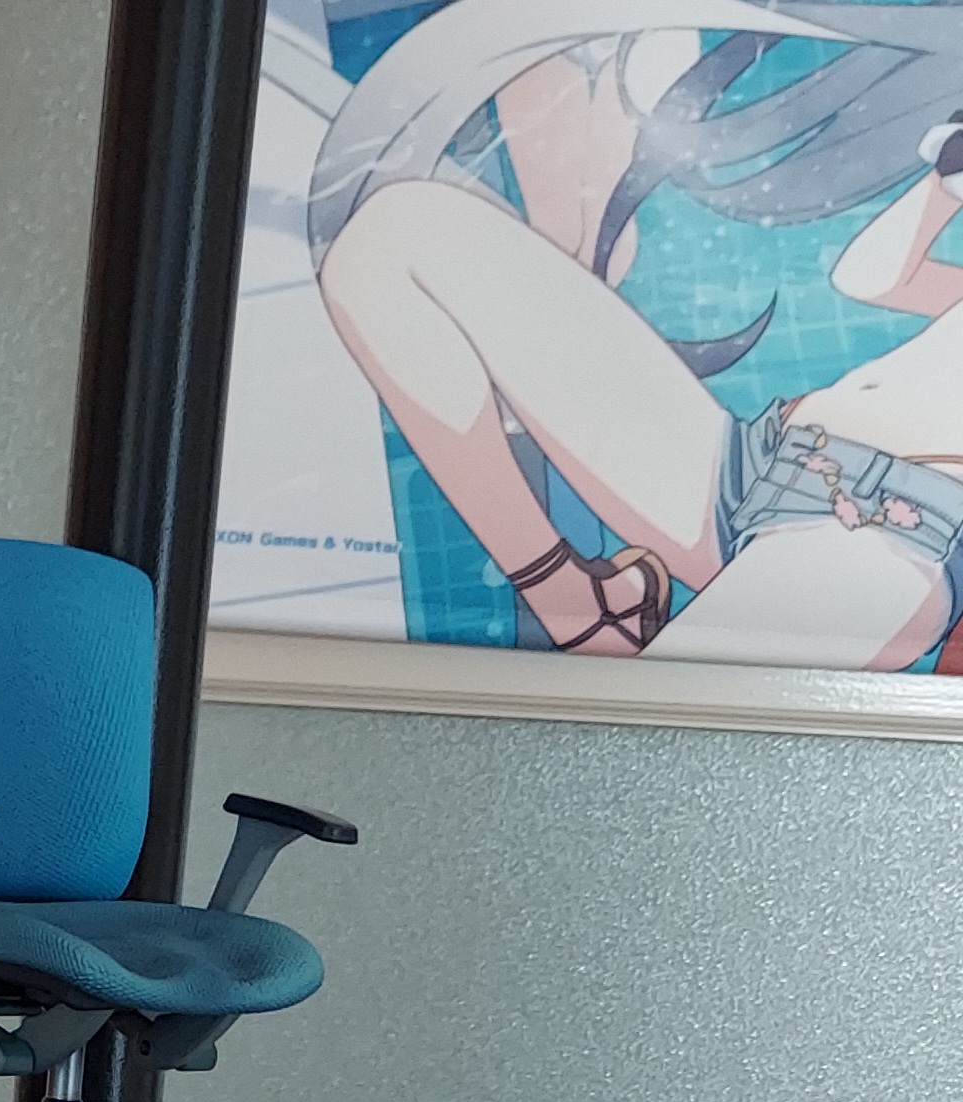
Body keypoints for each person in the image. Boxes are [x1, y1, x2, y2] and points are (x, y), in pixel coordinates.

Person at [310, 0, 963, 669]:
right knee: (391, 242)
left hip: (891, 529)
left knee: (649, 721)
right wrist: (947, 174)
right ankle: (569, 595)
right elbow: (869, 276)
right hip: (756, 457)